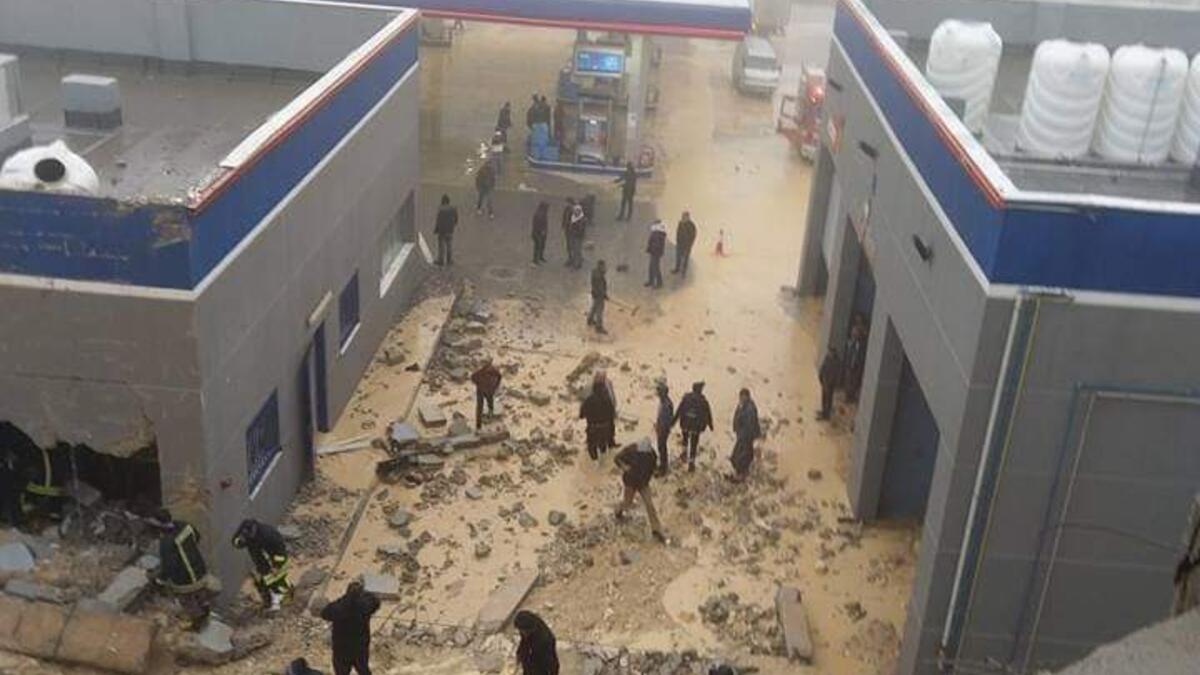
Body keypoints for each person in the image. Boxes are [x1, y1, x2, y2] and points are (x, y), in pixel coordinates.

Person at [153, 509, 219, 630]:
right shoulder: (185, 526)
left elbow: (169, 566)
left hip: (185, 579)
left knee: (187, 600)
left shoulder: (166, 542)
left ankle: (197, 622)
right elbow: (197, 537)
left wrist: (160, 579)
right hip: (200, 568)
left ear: (158, 524)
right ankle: (205, 608)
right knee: (200, 594)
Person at [320, 580, 380, 675]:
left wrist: (344, 599)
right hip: (359, 648)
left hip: (342, 649)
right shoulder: (365, 605)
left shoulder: (340, 607)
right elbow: (376, 602)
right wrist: (364, 595)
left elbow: (324, 613)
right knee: (364, 670)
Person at [232, 518, 292, 612]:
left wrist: (277, 566)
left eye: (250, 535)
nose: (249, 537)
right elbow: (235, 540)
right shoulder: (245, 528)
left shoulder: (268, 534)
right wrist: (240, 542)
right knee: (261, 583)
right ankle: (268, 602)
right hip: (260, 562)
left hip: (273, 561)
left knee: (276, 581)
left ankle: (285, 597)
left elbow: (280, 550)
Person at [614, 438, 667, 544]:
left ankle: (656, 529)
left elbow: (652, 469)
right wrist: (625, 467)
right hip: (630, 481)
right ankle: (618, 510)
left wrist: (649, 478)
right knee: (627, 503)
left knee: (649, 505)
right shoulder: (631, 450)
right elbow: (616, 458)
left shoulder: (652, 456)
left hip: (643, 482)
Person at [672, 382, 714, 472]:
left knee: (685, 439)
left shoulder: (686, 398)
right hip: (696, 427)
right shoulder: (703, 401)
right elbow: (707, 413)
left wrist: (673, 422)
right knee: (694, 444)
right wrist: (710, 425)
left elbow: (679, 410)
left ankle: (684, 453)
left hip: (685, 424)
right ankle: (691, 463)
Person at [730, 388, 762, 482]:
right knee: (737, 456)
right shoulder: (742, 406)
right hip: (742, 435)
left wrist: (745, 434)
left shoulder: (749, 408)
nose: (740, 398)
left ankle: (741, 475)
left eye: (742, 396)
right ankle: (739, 474)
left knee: (742, 456)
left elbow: (750, 423)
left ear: (746, 396)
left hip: (746, 436)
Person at [514, 610, 560, 675]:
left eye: (523, 631)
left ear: (529, 630)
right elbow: (524, 641)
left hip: (540, 666)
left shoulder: (545, 640)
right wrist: (520, 653)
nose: (522, 633)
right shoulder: (527, 627)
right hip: (530, 662)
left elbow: (553, 664)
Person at [580, 379, 616, 461]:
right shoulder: (607, 400)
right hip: (605, 428)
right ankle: (603, 462)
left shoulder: (588, 401)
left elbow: (581, 415)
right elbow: (612, 415)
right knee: (603, 448)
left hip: (593, 429)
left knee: (592, 448)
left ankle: (594, 463)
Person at [471, 357, 502, 429]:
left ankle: (489, 414)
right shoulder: (480, 372)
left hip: (488, 390)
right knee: (480, 407)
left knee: (488, 403)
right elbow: (473, 378)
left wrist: (495, 386)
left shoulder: (494, 371)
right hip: (482, 390)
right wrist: (479, 384)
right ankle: (478, 425)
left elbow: (499, 377)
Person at [843, 314, 869, 403]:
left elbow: (860, 356)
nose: (854, 334)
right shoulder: (851, 343)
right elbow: (848, 353)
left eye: (856, 333)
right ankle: (847, 396)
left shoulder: (861, 345)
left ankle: (851, 396)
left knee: (854, 381)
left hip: (857, 366)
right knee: (848, 380)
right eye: (853, 333)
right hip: (849, 364)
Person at [653, 380, 675, 476]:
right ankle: (663, 465)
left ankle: (663, 468)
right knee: (661, 447)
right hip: (662, 428)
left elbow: (666, 420)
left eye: (659, 392)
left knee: (662, 447)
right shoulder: (664, 402)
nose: (657, 394)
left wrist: (660, 429)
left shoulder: (666, 404)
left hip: (663, 430)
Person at [818, 348, 843, 421]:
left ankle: (826, 415)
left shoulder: (837, 362)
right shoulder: (827, 358)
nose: (829, 353)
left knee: (828, 399)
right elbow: (823, 368)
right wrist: (821, 377)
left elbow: (837, 374)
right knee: (824, 397)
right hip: (825, 381)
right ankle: (823, 411)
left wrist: (836, 384)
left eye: (830, 352)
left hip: (830, 383)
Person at [433, 194, 458, 267]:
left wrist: (436, 229)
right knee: (449, 245)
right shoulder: (453, 209)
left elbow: (438, 221)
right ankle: (449, 260)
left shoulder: (441, 209)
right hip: (450, 229)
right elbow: (456, 219)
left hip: (442, 230)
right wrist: (453, 225)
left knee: (441, 246)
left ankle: (441, 260)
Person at [587, 259, 608, 334]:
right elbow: (600, 287)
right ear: (600, 266)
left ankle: (590, 319)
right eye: (603, 266)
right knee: (599, 310)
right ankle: (599, 327)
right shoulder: (599, 276)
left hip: (595, 293)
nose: (605, 268)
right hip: (599, 295)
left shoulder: (595, 272)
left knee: (594, 307)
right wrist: (604, 294)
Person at [673, 211, 698, 275]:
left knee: (685, 258)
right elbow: (678, 232)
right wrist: (677, 241)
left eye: (684, 216)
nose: (683, 218)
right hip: (680, 244)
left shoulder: (691, 225)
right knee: (678, 257)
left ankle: (683, 271)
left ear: (688, 217)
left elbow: (693, 235)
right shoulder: (680, 223)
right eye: (682, 216)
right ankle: (677, 269)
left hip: (687, 245)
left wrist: (690, 244)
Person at [645, 218, 667, 288]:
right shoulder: (655, 232)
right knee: (651, 267)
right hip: (653, 252)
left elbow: (657, 244)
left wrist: (652, 248)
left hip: (656, 253)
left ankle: (659, 283)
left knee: (656, 268)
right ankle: (651, 281)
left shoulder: (659, 234)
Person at [567, 203, 586, 269]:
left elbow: (581, 229)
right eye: (575, 211)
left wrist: (574, 231)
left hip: (578, 237)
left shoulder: (582, 219)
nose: (576, 212)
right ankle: (575, 262)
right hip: (572, 235)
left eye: (577, 211)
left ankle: (577, 264)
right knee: (573, 249)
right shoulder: (573, 217)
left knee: (577, 250)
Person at [561, 198, 576, 265]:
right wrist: (563, 225)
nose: (566, 204)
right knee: (568, 245)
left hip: (572, 231)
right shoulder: (566, 209)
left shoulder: (574, 211)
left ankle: (573, 259)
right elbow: (564, 217)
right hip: (567, 230)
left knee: (572, 244)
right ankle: (570, 258)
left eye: (567, 202)